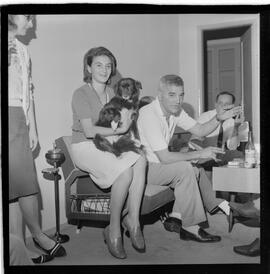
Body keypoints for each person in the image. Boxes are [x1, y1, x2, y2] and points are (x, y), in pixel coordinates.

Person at [137, 74, 242, 242]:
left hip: (158, 165)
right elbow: (164, 157)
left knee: (193, 168)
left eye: (181, 95)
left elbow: (200, 130)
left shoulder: (175, 110)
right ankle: (191, 227)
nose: (177, 100)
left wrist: (218, 118)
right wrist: (200, 153)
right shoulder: (149, 114)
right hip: (143, 168)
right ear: (160, 94)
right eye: (172, 95)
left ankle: (177, 216)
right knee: (187, 167)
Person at [71, 47, 147, 259]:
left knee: (141, 158)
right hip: (85, 146)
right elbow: (88, 130)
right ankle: (114, 228)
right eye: (98, 65)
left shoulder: (113, 93)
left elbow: (124, 121)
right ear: (88, 68)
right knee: (125, 172)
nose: (104, 70)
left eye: (108, 65)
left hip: (108, 142)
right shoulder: (81, 93)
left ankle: (133, 220)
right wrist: (120, 130)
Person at [8, 15, 66, 264]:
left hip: (17, 116)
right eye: (28, 18)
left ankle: (35, 237)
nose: (31, 25)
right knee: (15, 187)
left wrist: (33, 128)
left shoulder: (22, 49)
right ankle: (24, 245)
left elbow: (26, 91)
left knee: (23, 184)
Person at [189, 91, 245, 171]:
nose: (223, 106)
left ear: (232, 106)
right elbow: (194, 141)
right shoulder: (206, 116)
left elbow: (232, 147)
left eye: (227, 104)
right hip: (199, 151)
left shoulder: (231, 121)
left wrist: (236, 126)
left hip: (218, 153)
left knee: (240, 156)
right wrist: (207, 154)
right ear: (215, 104)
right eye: (220, 103)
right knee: (210, 163)